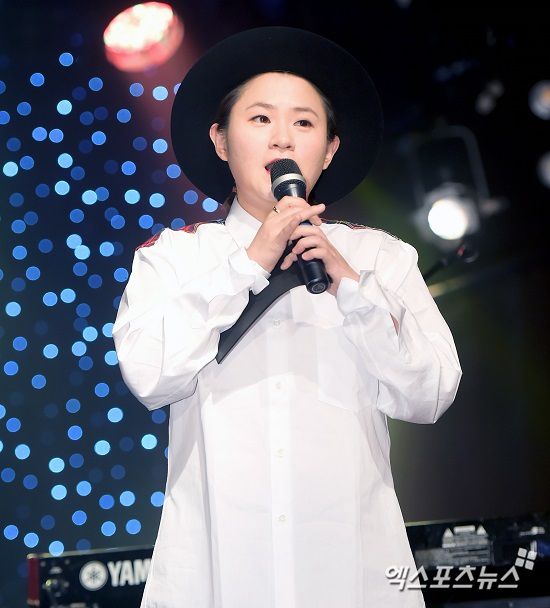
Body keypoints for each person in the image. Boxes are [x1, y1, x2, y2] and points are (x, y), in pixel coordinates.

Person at [113, 26, 462, 608]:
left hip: (352, 573)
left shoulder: (380, 258)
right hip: (217, 575)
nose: (282, 137)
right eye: (260, 119)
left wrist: (352, 288)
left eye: (303, 123)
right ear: (220, 141)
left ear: (328, 150)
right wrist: (248, 264)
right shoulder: (174, 258)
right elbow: (149, 377)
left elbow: (429, 396)